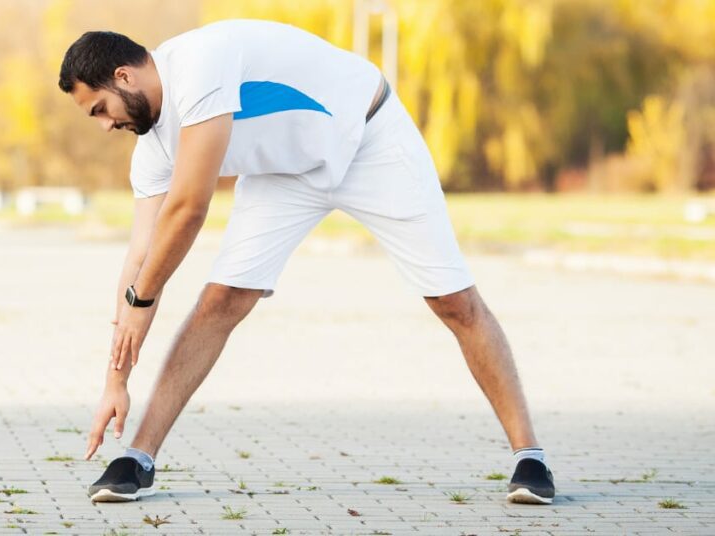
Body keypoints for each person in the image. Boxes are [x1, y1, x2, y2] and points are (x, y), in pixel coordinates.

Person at [57, 19, 555, 505]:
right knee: (221, 300)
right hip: (284, 174)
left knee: (454, 301)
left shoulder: (197, 65)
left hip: (371, 138)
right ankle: (138, 457)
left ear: (124, 76)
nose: (105, 125)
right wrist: (115, 380)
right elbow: (140, 257)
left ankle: (529, 457)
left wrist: (142, 298)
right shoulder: (151, 150)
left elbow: (188, 211)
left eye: (100, 108)